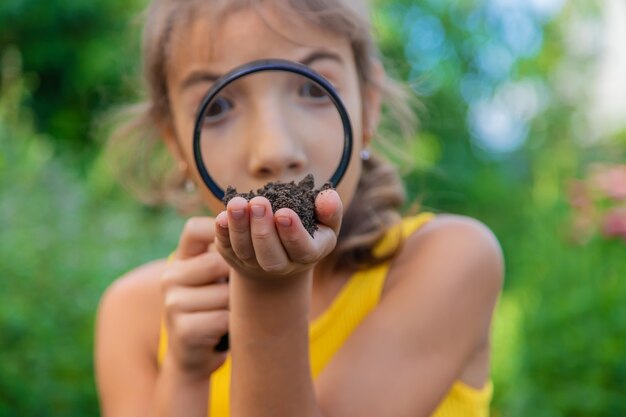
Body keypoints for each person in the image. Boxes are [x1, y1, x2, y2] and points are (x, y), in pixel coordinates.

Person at [95, 1, 504, 416]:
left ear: (369, 106)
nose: (275, 150)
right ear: (176, 143)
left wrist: (268, 292)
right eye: (217, 107)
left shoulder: (451, 261)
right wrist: (185, 373)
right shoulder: (136, 317)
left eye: (313, 88)